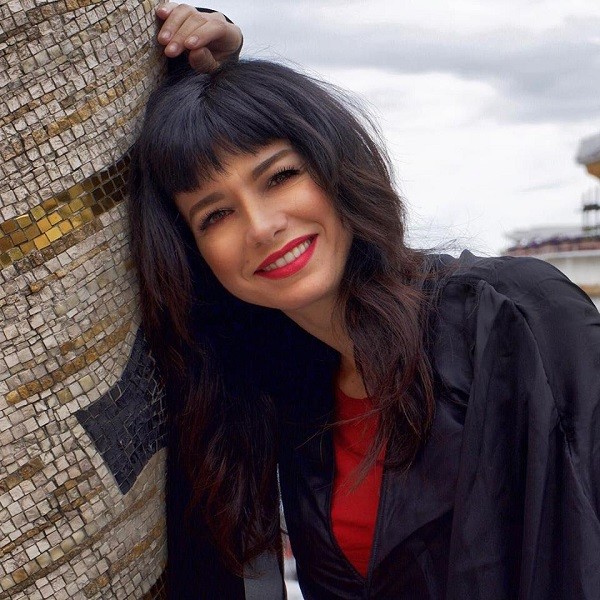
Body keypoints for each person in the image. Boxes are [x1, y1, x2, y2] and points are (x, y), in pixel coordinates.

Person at [135, 8, 600, 599]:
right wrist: (193, 83)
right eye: (216, 215)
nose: (261, 226)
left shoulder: (513, 314)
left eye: (279, 177)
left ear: (336, 166)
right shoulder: (285, 400)